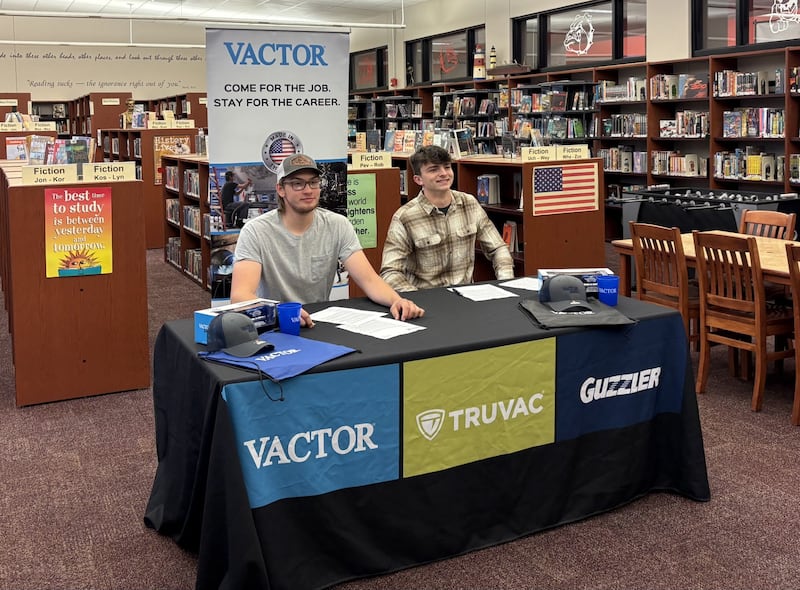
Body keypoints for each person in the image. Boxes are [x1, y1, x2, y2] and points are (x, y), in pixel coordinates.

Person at [230, 153, 424, 327]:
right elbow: (240, 296)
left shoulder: (338, 225)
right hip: (276, 325)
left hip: (318, 323)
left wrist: (396, 300)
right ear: (281, 189)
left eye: (314, 182)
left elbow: (369, 280)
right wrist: (282, 313)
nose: (308, 190)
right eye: (298, 183)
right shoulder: (256, 231)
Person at [380, 145, 514, 292]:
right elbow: (390, 272)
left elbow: (498, 247)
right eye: (434, 169)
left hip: (467, 297)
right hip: (427, 299)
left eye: (447, 167)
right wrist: (413, 300)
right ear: (418, 179)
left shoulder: (469, 203)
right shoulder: (405, 217)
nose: (444, 173)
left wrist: (506, 282)